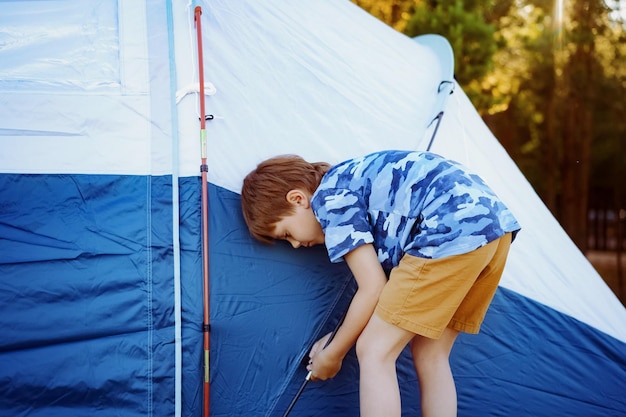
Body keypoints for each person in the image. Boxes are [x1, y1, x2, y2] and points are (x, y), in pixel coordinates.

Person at [240, 149, 520, 417]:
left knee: (374, 351)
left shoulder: (328, 198)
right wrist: (334, 340)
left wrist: (333, 354)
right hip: (494, 231)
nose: (296, 245)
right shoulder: (353, 179)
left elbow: (373, 287)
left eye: (287, 233)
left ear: (298, 199)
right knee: (430, 353)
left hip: (448, 230)